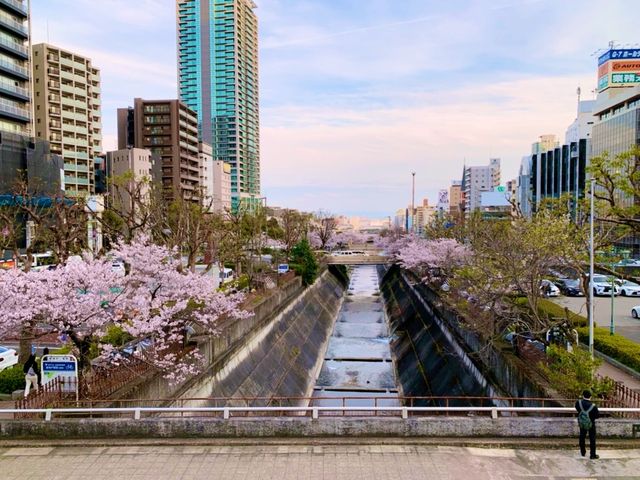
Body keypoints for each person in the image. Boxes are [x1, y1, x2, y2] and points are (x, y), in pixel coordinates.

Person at [575, 390, 600, 459]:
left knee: (582, 437)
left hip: (582, 422)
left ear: (583, 395)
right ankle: (592, 454)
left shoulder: (578, 403)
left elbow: (577, 409)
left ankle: (583, 452)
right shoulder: (593, 406)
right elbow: (597, 416)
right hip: (591, 423)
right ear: (590, 397)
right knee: (592, 438)